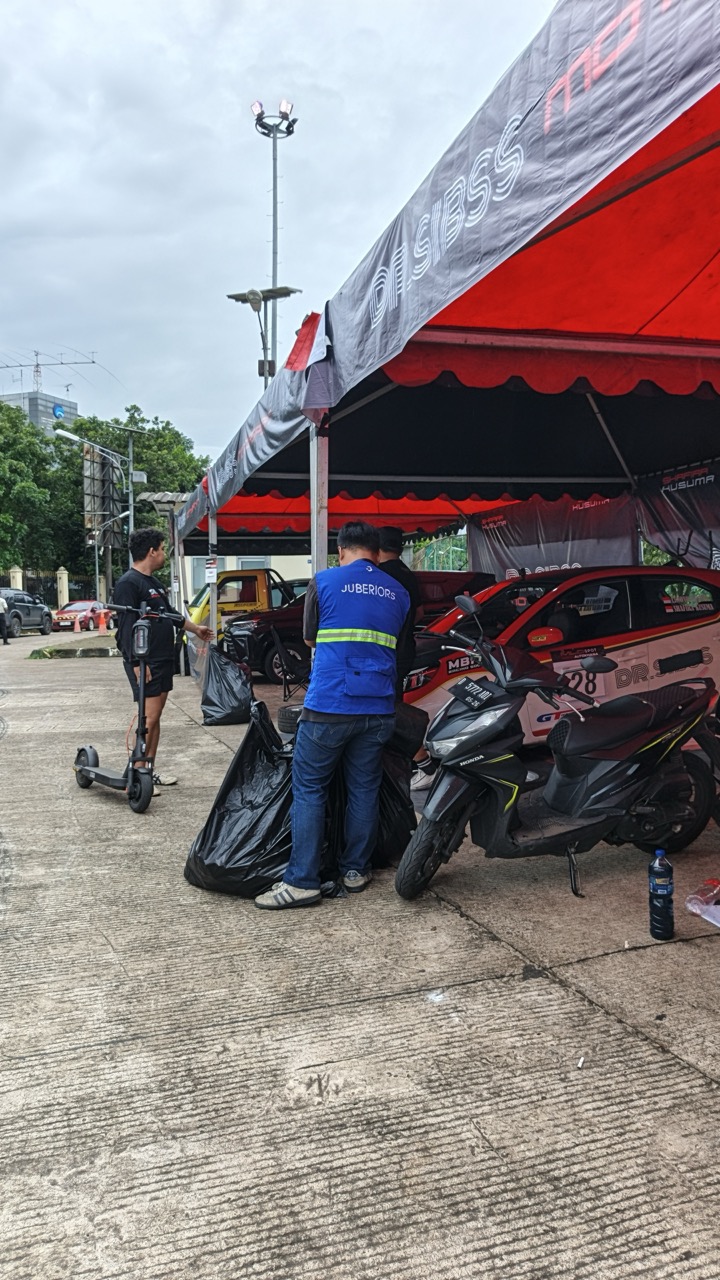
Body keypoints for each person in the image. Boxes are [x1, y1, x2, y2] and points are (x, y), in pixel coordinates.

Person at [255, 521, 410, 910]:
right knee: (364, 788)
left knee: (309, 789)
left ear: (341, 551)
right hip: (378, 707)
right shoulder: (399, 592)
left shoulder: (324, 582)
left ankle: (303, 881)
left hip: (330, 705)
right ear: (376, 552)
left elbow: (309, 638)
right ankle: (355, 871)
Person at [113, 528, 212, 793]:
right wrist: (135, 663)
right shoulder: (128, 583)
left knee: (155, 719)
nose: (163, 553)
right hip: (144, 661)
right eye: (161, 548)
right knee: (149, 718)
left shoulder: (154, 584)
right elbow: (125, 628)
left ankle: (147, 769)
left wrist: (196, 629)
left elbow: (169, 614)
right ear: (151, 551)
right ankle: (137, 774)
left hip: (162, 657)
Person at [376, 526, 421, 696]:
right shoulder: (408, 574)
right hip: (405, 650)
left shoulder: (378, 575)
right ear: (401, 548)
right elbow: (420, 613)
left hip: (383, 651)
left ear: (377, 548)